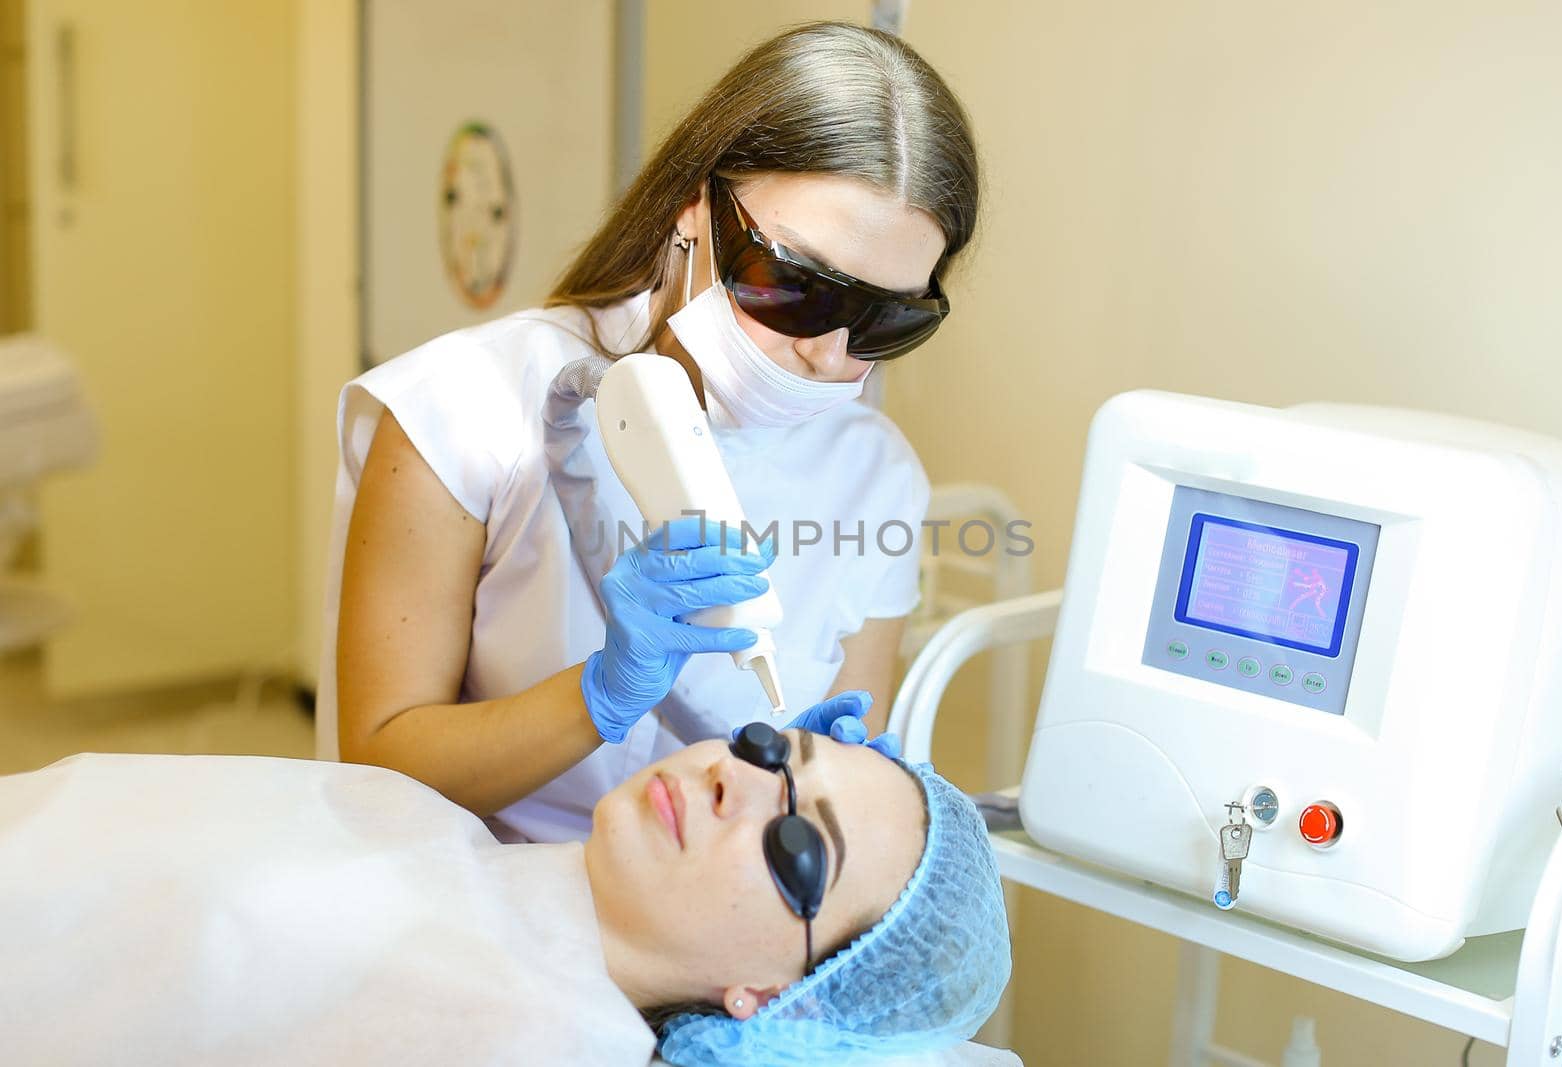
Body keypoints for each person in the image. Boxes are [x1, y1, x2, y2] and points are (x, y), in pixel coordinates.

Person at [319, 20, 979, 843]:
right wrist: (598, 692)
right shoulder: (465, 406)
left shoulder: (876, 474)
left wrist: (835, 793)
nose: (827, 352)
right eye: (795, 285)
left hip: (714, 940)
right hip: (476, 914)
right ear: (695, 207)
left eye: (886, 319)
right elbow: (378, 757)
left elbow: (826, 801)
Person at [0, 731, 1010, 1065]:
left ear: (777, 997)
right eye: (770, 747)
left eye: (798, 843)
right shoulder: (446, 840)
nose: (734, 779)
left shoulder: (527, 1032)